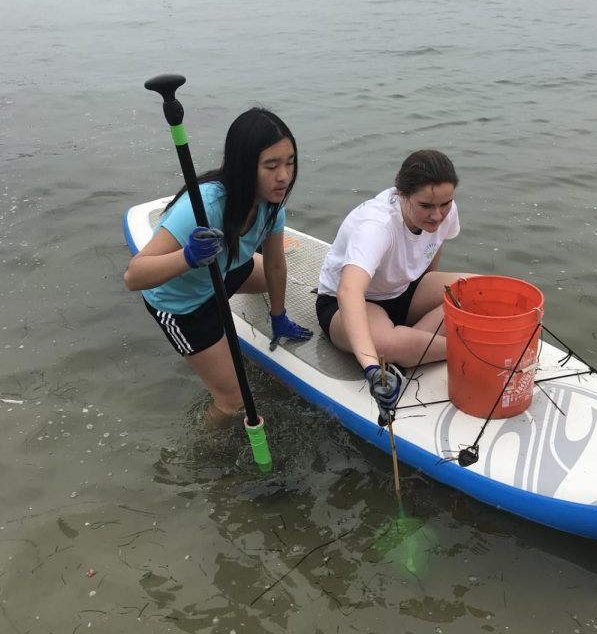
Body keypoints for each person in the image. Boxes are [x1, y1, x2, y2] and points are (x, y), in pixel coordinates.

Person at [124, 107, 312, 425]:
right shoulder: (204, 207)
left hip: (220, 274)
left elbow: (276, 266)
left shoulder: (271, 205)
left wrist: (278, 316)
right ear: (244, 166)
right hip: (183, 306)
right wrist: (188, 256)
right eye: (271, 165)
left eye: (289, 162)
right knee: (234, 400)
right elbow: (134, 276)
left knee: (269, 277)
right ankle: (206, 459)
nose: (284, 176)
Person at [315, 150, 473, 409]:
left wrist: (427, 288)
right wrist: (371, 368)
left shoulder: (446, 208)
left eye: (445, 204)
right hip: (350, 304)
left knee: (476, 289)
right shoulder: (376, 225)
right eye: (426, 206)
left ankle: (410, 347)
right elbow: (349, 292)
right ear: (402, 194)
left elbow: (434, 246)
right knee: (385, 343)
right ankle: (465, 352)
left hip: (403, 291)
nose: (437, 215)